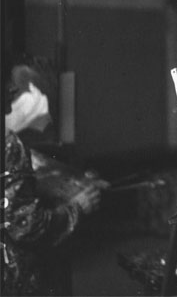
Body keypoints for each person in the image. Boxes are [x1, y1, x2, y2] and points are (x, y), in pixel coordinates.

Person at [3, 58, 103, 295]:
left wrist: (66, 182)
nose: (12, 90)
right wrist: (76, 207)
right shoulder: (8, 144)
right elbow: (26, 225)